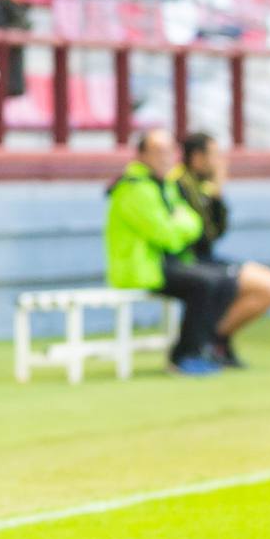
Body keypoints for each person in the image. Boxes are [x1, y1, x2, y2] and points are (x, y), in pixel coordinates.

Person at [105, 129, 235, 374]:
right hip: (141, 268)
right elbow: (166, 235)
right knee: (204, 284)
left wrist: (179, 225)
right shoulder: (133, 188)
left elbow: (193, 222)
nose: (165, 158)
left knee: (224, 280)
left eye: (169, 151)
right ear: (141, 155)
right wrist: (179, 226)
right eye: (158, 152)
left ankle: (203, 347)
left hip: (167, 264)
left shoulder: (164, 185)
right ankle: (182, 356)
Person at [176, 131, 270, 366]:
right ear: (197, 157)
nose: (220, 162)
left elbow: (218, 232)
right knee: (268, 288)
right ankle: (209, 341)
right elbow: (201, 235)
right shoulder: (179, 186)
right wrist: (214, 195)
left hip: (207, 258)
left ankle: (215, 339)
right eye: (214, 155)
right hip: (191, 260)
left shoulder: (202, 186)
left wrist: (217, 195)